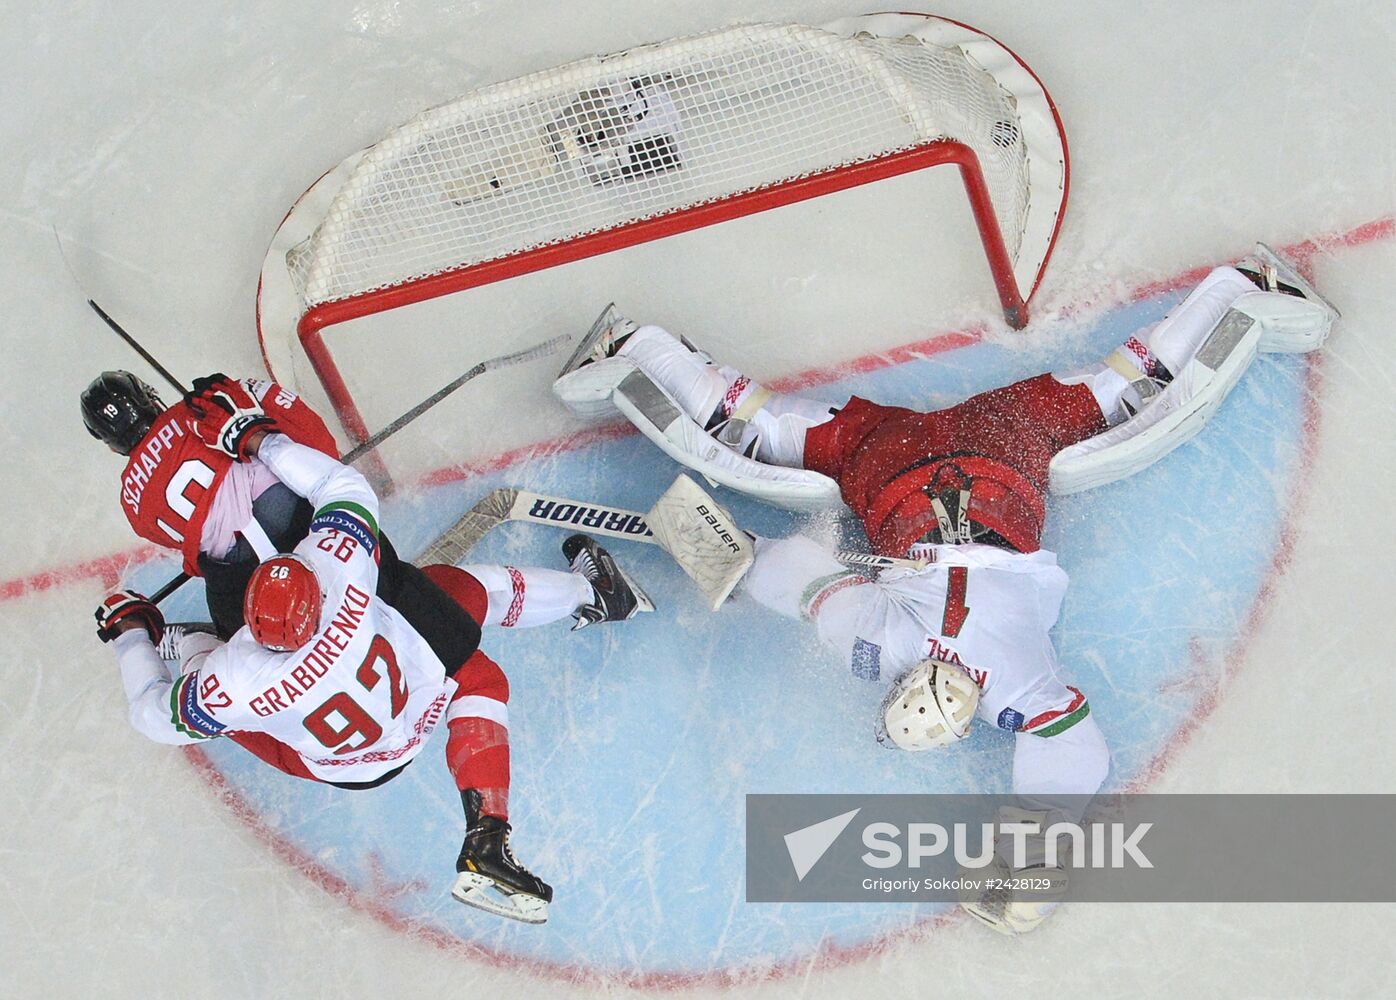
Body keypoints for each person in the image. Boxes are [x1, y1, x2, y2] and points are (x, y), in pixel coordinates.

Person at [551, 243, 1337, 934]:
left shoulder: (1010, 681)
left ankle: (1246, 281)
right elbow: (790, 570)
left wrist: (1033, 862)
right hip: (893, 462)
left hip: (997, 451)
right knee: (765, 426)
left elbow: (1074, 752)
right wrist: (725, 547)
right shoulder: (878, 641)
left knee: (1120, 386)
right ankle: (640, 343)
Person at [95, 416, 648, 924]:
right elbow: (343, 488)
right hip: (403, 692)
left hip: (342, 764)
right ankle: (595, 592)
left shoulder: (235, 673)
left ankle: (186, 640)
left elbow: (150, 715)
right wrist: (260, 439)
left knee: (205, 684)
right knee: (474, 625)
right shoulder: (339, 571)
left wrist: (132, 634)